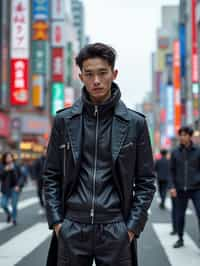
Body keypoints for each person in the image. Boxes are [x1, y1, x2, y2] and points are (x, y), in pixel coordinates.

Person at [43, 43, 155, 266]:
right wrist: (57, 223)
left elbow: (145, 181)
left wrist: (132, 228)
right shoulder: (64, 121)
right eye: (89, 74)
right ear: (81, 77)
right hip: (72, 225)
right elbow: (51, 176)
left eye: (102, 73)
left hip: (115, 226)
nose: (96, 80)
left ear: (114, 74)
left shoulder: (135, 123)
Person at [170, 126, 200, 248]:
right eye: (180, 135)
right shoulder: (175, 152)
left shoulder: (198, 151)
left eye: (184, 135)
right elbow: (171, 171)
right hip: (180, 188)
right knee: (179, 215)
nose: (182, 137)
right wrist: (172, 187)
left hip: (197, 188)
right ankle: (180, 238)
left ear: (190, 136)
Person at [0, 152, 22, 225]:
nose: (9, 158)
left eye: (10, 157)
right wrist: (4, 170)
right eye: (7, 157)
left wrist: (18, 186)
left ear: (12, 158)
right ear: (4, 159)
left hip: (15, 188)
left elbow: (21, 177)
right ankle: (9, 214)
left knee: (14, 205)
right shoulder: (2, 166)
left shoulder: (16, 166)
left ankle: (14, 219)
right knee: (3, 204)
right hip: (5, 189)